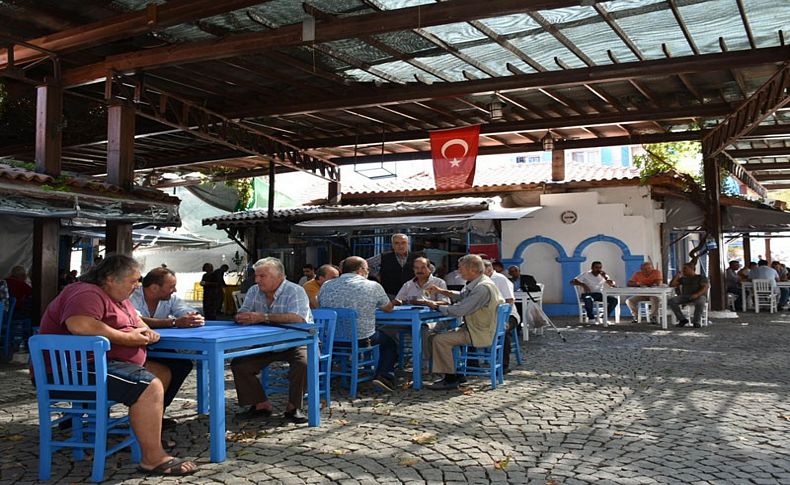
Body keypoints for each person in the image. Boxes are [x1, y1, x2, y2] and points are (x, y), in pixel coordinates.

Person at [36, 255, 197, 475]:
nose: (137, 286)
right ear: (111, 279)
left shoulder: (118, 298)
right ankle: (152, 458)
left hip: (100, 364)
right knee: (149, 386)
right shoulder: (86, 292)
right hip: (71, 371)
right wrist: (129, 339)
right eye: (133, 281)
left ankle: (147, 435)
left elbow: (137, 321)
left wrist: (145, 331)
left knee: (164, 371)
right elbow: (81, 325)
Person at [230, 257, 312, 424]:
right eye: (256, 276)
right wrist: (241, 316)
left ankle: (293, 407)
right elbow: (244, 310)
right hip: (267, 343)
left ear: (279, 276)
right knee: (239, 364)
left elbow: (298, 318)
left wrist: (263, 317)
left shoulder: (295, 290)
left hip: (297, 341)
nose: (257, 280)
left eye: (262, 276)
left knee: (305, 363)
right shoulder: (254, 291)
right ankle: (261, 404)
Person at [129, 267, 205, 423]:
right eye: (171, 286)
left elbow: (185, 310)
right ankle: (149, 415)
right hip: (134, 346)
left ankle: (158, 412)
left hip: (157, 343)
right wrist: (174, 322)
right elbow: (137, 320)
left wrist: (192, 317)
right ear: (155, 288)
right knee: (172, 367)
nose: (174, 290)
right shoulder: (132, 297)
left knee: (183, 365)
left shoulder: (170, 299)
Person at [423, 254, 504, 390]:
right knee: (433, 337)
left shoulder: (482, 288)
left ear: (472, 269)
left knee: (439, 339)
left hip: (479, 332)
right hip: (477, 328)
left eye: (461, 268)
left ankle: (450, 378)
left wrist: (436, 306)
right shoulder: (480, 283)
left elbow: (460, 310)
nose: (459, 271)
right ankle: (455, 373)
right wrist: (441, 291)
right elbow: (462, 296)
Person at [318, 256, 397, 392]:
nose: (368, 272)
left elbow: (321, 305)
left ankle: (330, 375)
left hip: (331, 339)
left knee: (375, 335)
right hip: (361, 339)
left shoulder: (326, 285)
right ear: (361, 270)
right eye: (367, 269)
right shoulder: (372, 286)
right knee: (390, 343)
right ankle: (384, 376)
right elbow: (388, 308)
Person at [392, 257, 450, 372]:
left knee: (424, 330)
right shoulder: (408, 285)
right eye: (417, 268)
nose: (420, 270)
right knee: (387, 330)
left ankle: (425, 364)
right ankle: (395, 360)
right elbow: (398, 301)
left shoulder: (438, 282)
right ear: (413, 270)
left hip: (433, 320)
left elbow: (445, 302)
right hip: (410, 320)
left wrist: (426, 302)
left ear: (429, 269)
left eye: (423, 267)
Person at [483, 260, 520, 373]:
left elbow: (510, 300)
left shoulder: (501, 279)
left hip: (508, 314)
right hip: (488, 315)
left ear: (489, 269)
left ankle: (503, 364)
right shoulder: (477, 280)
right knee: (469, 326)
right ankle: (470, 363)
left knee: (503, 328)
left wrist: (504, 319)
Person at [668, 262, 709, 328]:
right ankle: (682, 319)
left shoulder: (700, 277)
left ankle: (696, 322)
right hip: (686, 296)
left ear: (692, 269)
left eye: (685, 269)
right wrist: (677, 275)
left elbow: (705, 287)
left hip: (699, 296)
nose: (683, 270)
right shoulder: (683, 279)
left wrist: (697, 294)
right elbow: (672, 285)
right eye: (683, 269)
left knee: (700, 301)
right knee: (671, 301)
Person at [379, 233, 419, 298]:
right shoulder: (384, 257)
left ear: (408, 244)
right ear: (392, 245)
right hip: (390, 294)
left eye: (403, 243)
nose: (400, 246)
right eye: (397, 243)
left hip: (411, 294)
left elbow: (430, 268)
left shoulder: (416, 257)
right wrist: (377, 274)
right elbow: (364, 264)